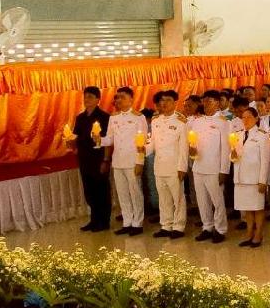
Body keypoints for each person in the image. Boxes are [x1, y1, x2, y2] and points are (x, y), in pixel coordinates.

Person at [103, 86, 147, 236]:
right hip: (118, 161)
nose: (119, 100)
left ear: (131, 100)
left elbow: (142, 142)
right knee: (122, 193)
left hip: (132, 160)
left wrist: (140, 162)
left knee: (135, 192)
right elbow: (110, 139)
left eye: (123, 97)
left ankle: (137, 223)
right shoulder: (113, 118)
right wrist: (98, 139)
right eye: (117, 97)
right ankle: (127, 222)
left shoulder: (138, 117)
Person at [67, 86, 112, 232]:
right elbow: (76, 136)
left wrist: (106, 160)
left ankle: (104, 221)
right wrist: (70, 142)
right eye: (85, 97)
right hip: (85, 158)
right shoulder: (80, 117)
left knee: (101, 190)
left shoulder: (105, 117)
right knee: (89, 190)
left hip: (98, 158)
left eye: (90, 97)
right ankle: (94, 220)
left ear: (98, 99)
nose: (87, 99)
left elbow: (108, 140)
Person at [189, 91, 232, 244]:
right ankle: (207, 226)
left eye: (210, 101)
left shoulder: (224, 122)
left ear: (217, 103)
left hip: (214, 168)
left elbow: (226, 148)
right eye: (205, 101)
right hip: (198, 165)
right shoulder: (197, 121)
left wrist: (224, 170)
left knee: (217, 201)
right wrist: (192, 149)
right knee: (202, 200)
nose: (206, 104)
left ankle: (220, 229)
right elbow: (192, 141)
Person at [146, 90, 188, 239]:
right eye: (162, 100)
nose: (164, 103)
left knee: (178, 198)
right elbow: (153, 143)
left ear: (175, 102)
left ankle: (179, 226)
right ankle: (166, 225)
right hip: (159, 165)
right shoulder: (156, 121)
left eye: (168, 100)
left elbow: (184, 147)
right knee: (163, 198)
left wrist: (182, 167)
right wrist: (143, 149)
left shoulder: (181, 122)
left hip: (174, 166)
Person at [232, 107, 270, 247]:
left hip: (254, 178)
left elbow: (265, 160)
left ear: (256, 118)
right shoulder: (237, 135)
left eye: (249, 117)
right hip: (240, 177)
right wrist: (232, 156)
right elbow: (233, 156)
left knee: (257, 207)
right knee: (247, 207)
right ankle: (249, 233)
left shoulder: (262, 135)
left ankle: (258, 234)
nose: (246, 120)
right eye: (243, 117)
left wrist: (262, 180)